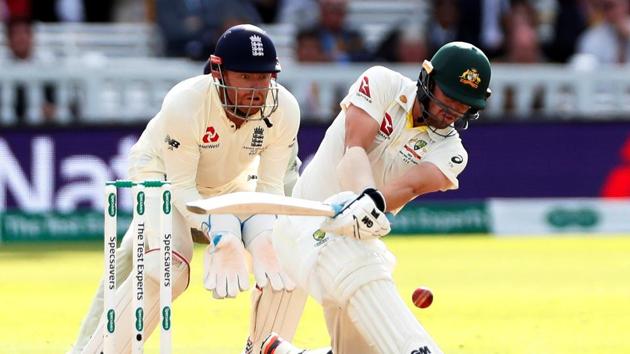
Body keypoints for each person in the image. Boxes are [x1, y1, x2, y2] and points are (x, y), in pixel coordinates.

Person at [71, 24, 304, 353]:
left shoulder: (284, 108)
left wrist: (265, 240)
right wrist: (222, 234)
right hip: (160, 173)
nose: (257, 89)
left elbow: (268, 189)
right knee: (168, 265)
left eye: (264, 77)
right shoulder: (186, 102)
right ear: (218, 71)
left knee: (284, 265)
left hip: (228, 181)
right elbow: (180, 187)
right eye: (246, 77)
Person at [260, 41, 492, 354]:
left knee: (360, 344)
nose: (449, 113)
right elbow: (353, 148)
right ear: (428, 79)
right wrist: (364, 197)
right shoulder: (382, 82)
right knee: (353, 260)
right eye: (447, 98)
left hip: (357, 240)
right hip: (304, 226)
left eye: (462, 106)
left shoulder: (452, 153)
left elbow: (409, 187)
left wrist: (371, 204)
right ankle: (417, 349)